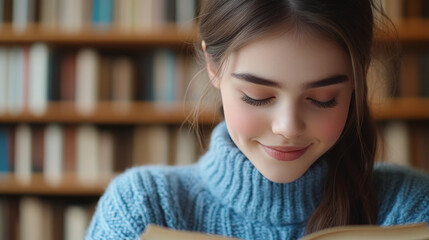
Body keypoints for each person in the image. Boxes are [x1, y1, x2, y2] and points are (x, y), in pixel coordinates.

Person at [86, 0, 429, 239]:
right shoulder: (144, 208)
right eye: (258, 96)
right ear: (213, 67)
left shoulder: (409, 210)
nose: (288, 127)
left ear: (359, 78)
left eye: (323, 99)